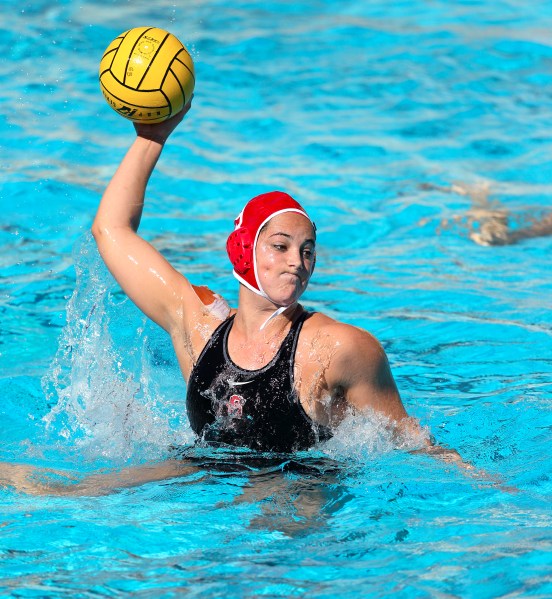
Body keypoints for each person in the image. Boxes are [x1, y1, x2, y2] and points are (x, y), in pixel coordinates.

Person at [90, 98, 448, 459]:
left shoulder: (336, 348)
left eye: (307, 251)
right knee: (64, 490)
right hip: (207, 477)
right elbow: (111, 231)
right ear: (242, 250)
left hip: (299, 491)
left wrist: (489, 489)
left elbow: (413, 443)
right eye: (281, 246)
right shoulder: (198, 329)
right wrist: (152, 138)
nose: (297, 262)